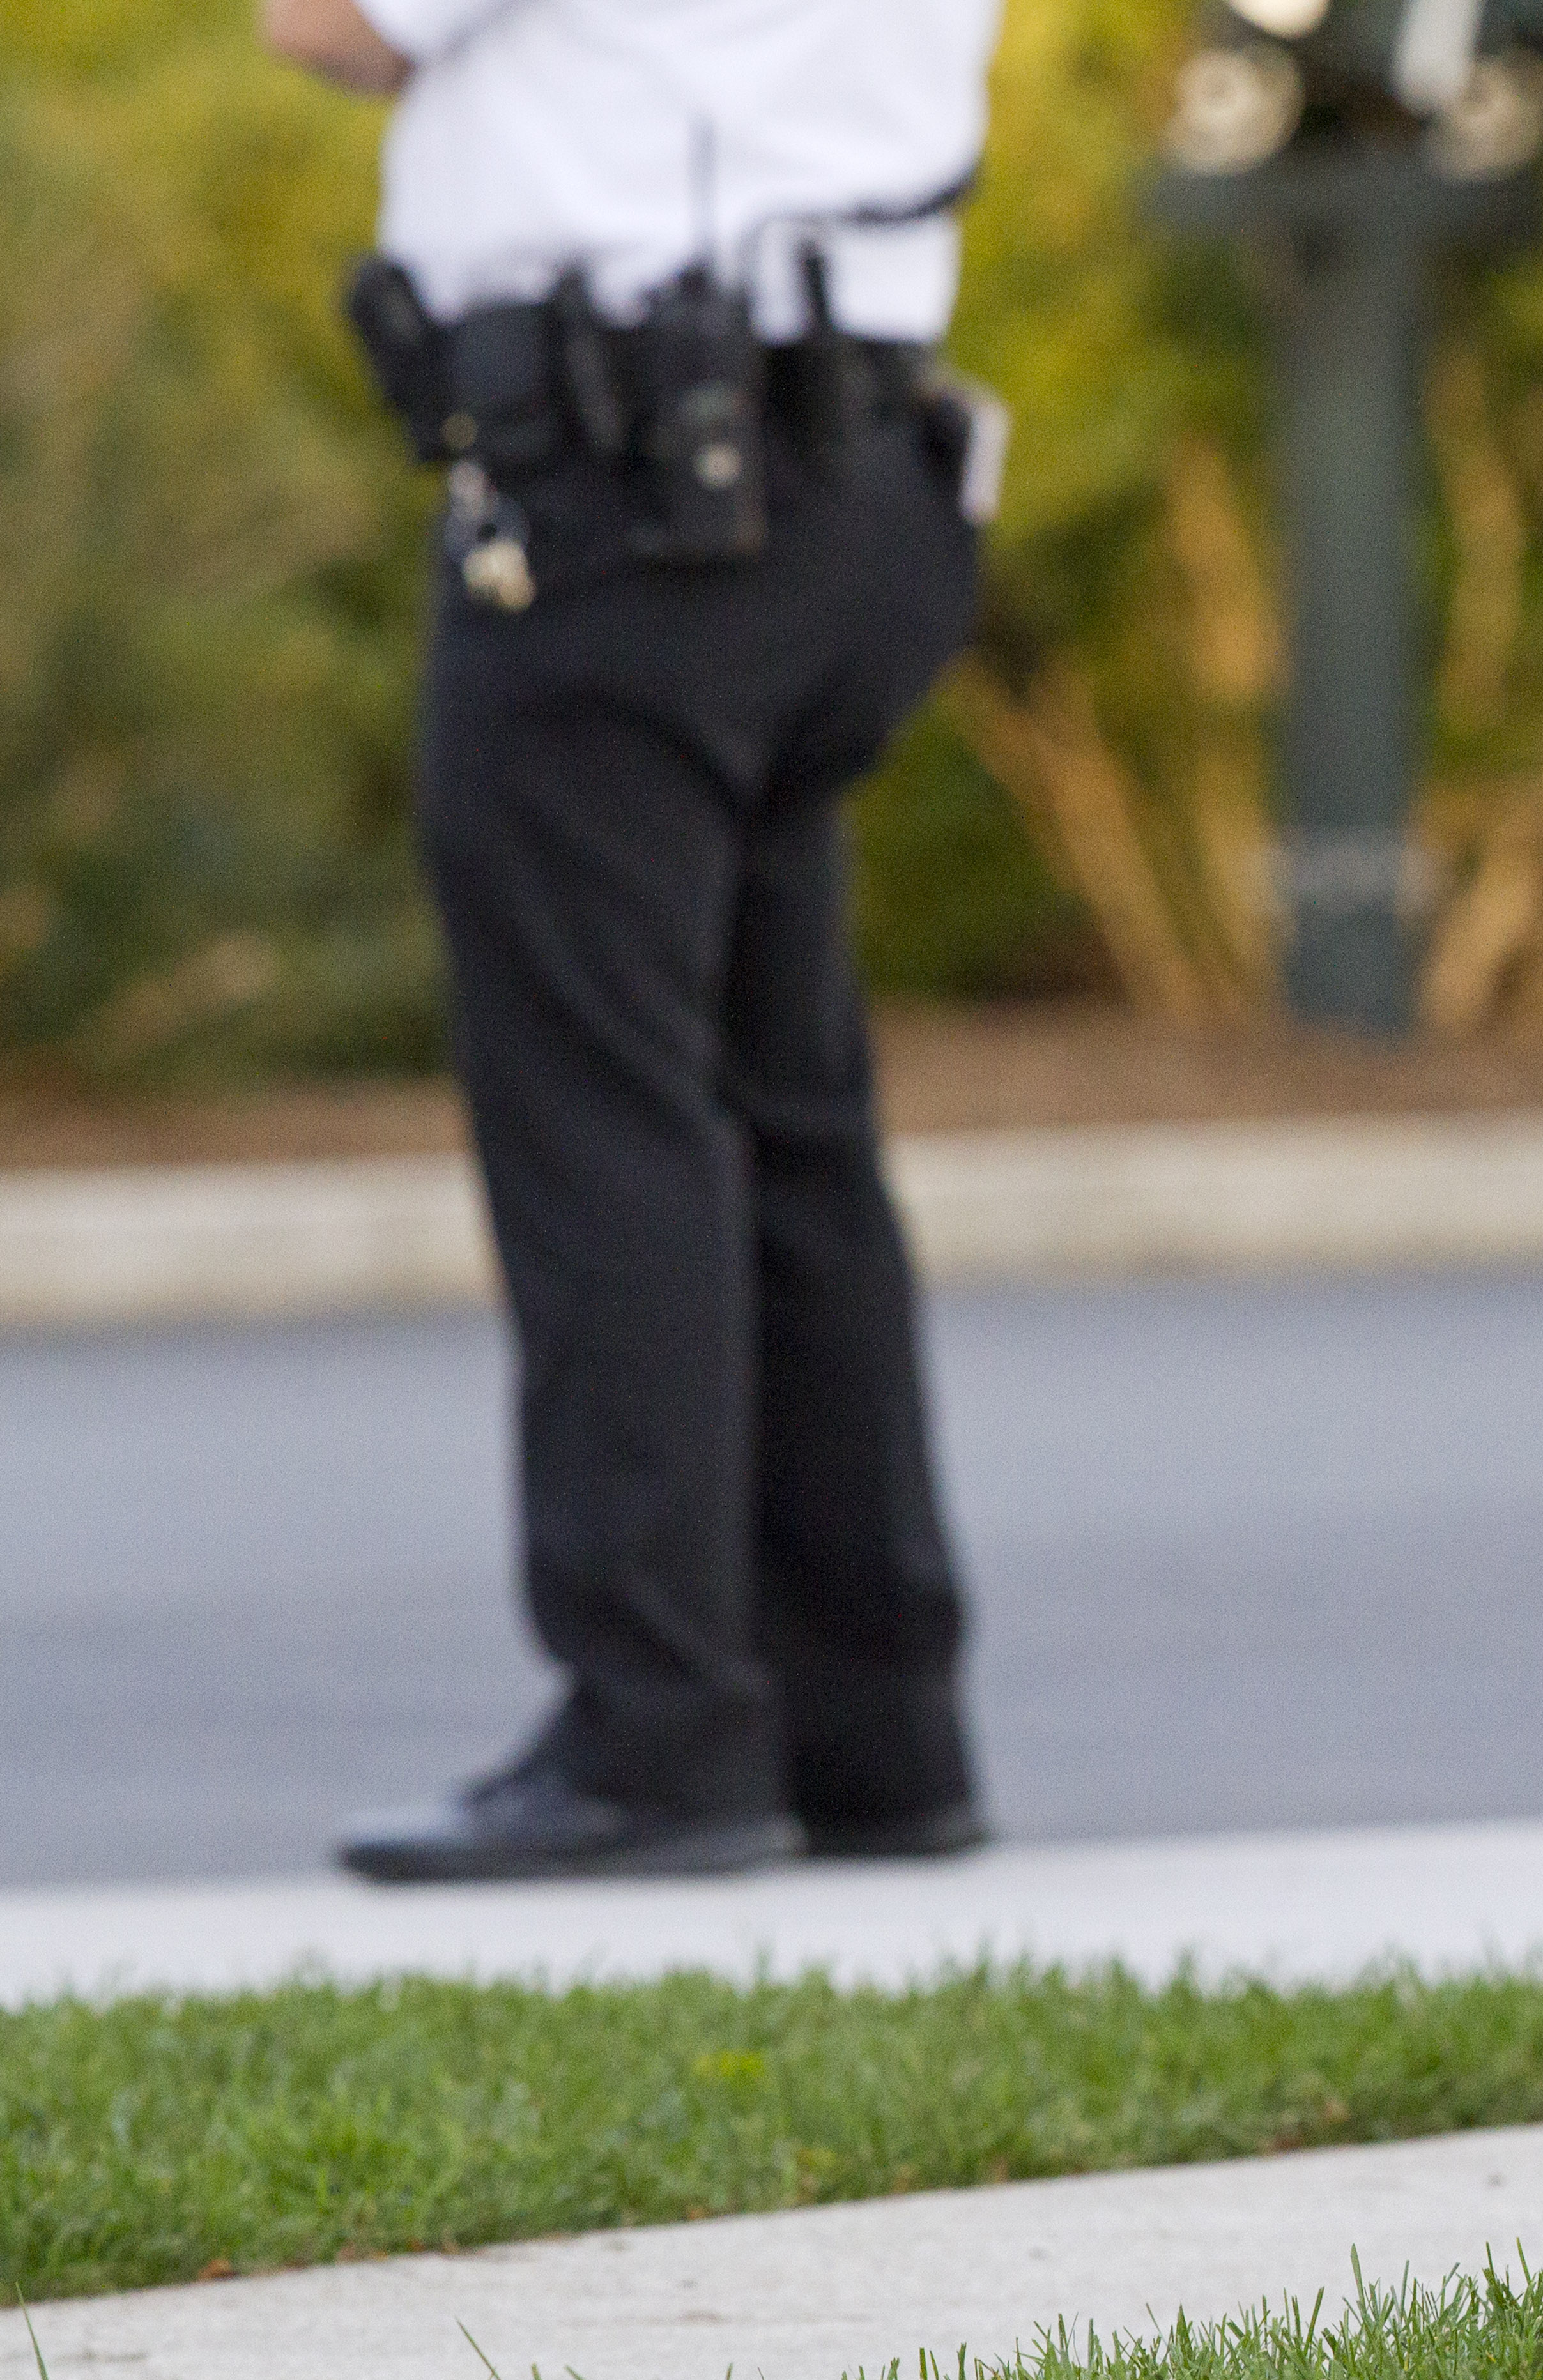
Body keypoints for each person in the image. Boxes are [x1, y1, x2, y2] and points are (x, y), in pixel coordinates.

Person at [261, 0, 1005, 1881]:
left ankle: (659, 1729)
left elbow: (326, 29)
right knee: (787, 1110)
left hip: (623, 487)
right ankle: (872, 1725)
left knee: (609, 1117)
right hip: (852, 472)